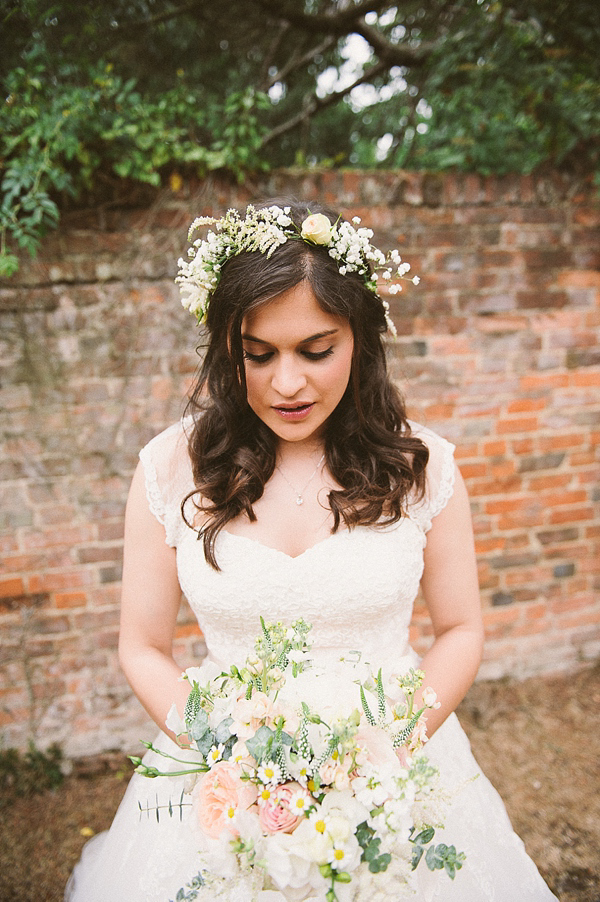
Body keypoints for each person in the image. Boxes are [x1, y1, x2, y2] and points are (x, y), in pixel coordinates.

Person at [65, 201, 558, 901]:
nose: (286, 384)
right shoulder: (169, 469)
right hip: (226, 779)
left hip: (393, 770)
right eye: (256, 355)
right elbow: (142, 646)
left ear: (360, 339)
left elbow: (461, 630)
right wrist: (232, 759)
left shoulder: (425, 468)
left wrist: (381, 757)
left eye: (316, 350)